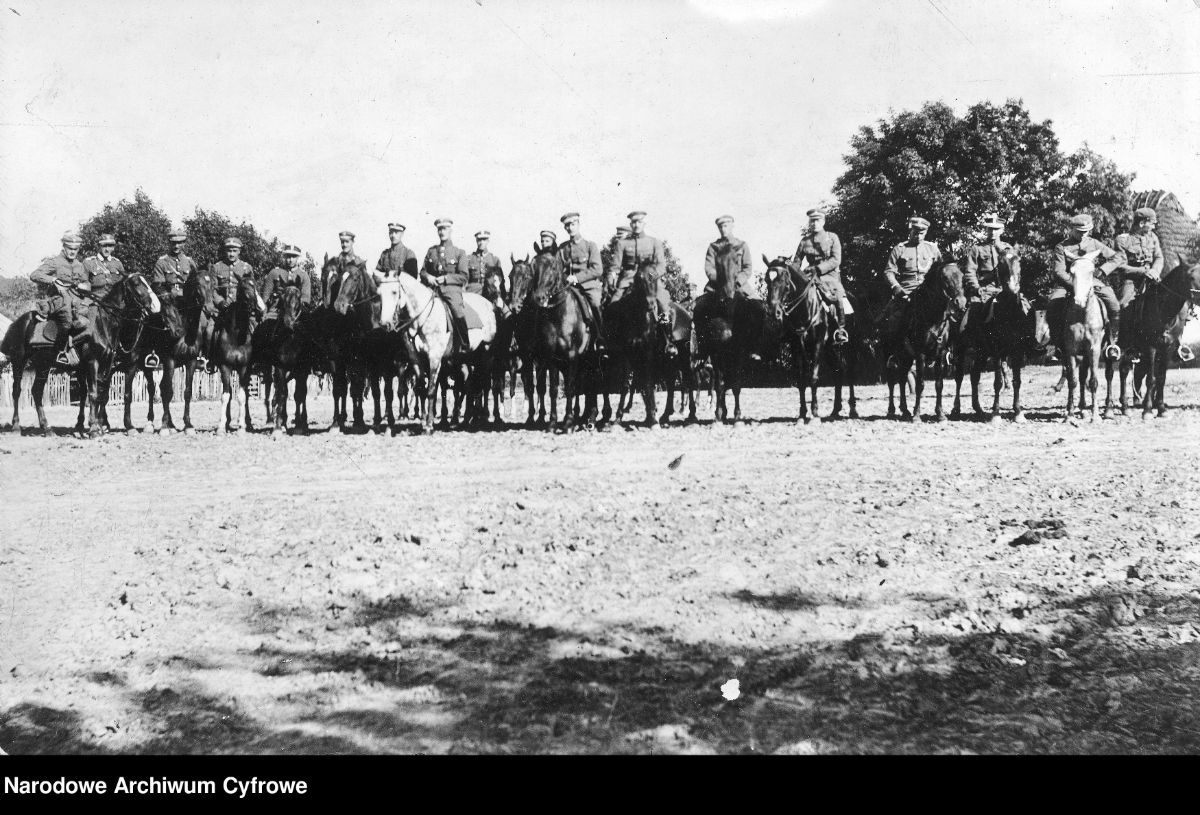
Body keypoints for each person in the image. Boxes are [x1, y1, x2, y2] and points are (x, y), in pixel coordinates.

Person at [1047, 213, 1121, 356]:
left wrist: (1102, 271)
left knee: (1113, 303)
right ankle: (1058, 345)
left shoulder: (1094, 243)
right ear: (1072, 229)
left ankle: (1112, 343)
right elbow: (1059, 271)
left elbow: (1116, 257)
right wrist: (1076, 285)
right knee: (1052, 304)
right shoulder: (1061, 247)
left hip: (1093, 282)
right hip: (1069, 284)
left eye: (1085, 232)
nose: (1082, 235)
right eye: (1079, 232)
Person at [606, 210, 675, 355]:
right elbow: (615, 267)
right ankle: (610, 343)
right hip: (628, 279)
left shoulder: (654, 242)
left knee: (663, 301)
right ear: (631, 224)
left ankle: (668, 341)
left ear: (644, 223)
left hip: (651, 281)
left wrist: (648, 278)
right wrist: (611, 278)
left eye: (639, 222)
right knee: (613, 304)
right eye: (634, 222)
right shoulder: (623, 243)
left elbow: (661, 266)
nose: (636, 225)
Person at [878, 216, 943, 344]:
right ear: (910, 231)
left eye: (921, 233)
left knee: (948, 317)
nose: (918, 236)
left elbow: (941, 270)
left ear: (926, 233)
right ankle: (895, 353)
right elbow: (889, 271)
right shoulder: (900, 249)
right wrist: (896, 287)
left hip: (929, 293)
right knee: (893, 321)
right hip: (906, 292)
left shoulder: (932, 249)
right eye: (915, 232)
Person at [29, 231, 89, 365]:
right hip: (57, 300)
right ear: (64, 247)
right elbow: (34, 275)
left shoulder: (79, 265)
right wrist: (53, 280)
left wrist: (84, 286)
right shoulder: (55, 262)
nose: (73, 252)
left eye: (75, 249)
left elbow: (87, 283)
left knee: (92, 316)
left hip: (76, 301)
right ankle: (61, 351)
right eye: (70, 249)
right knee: (67, 317)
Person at [792, 208, 848, 344]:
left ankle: (840, 330)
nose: (814, 223)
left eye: (817, 220)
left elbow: (836, 260)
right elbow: (797, 262)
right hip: (810, 276)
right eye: (812, 221)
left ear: (823, 221)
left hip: (829, 276)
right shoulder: (804, 241)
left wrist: (819, 268)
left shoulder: (832, 237)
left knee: (835, 296)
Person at [556, 212, 605, 352]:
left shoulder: (590, 246)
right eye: (567, 226)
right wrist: (565, 278)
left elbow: (597, 269)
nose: (570, 228)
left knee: (595, 304)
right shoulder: (562, 248)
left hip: (588, 286)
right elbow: (558, 269)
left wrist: (577, 278)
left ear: (578, 224)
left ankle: (600, 338)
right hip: (567, 287)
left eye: (573, 224)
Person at [961, 212, 1019, 329]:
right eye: (990, 229)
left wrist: (1015, 285)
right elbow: (970, 272)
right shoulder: (977, 249)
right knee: (970, 319)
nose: (993, 232)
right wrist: (976, 288)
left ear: (1001, 230)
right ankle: (969, 345)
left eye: (996, 229)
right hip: (984, 292)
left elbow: (1015, 270)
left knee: (1026, 308)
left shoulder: (1008, 249)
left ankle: (1032, 342)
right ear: (986, 230)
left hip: (1005, 290)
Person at [422, 218, 471, 353]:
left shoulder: (459, 252)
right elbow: (422, 271)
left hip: (451, 290)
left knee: (457, 310)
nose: (442, 232)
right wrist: (428, 277)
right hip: (432, 289)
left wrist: (446, 278)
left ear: (450, 230)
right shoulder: (431, 251)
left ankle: (463, 344)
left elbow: (464, 276)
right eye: (440, 229)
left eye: (445, 229)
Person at [260, 244, 312, 319]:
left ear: (298, 258)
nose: (290, 260)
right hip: (276, 311)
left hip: (296, 312)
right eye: (288, 256)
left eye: (293, 257)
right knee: (266, 326)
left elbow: (306, 299)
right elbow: (266, 296)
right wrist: (264, 314)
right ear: (284, 257)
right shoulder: (274, 272)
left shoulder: (303, 275)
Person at [151, 228, 199, 306]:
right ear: (169, 243)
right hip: (169, 301)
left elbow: (196, 283)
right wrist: (169, 293)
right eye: (173, 243)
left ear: (184, 243)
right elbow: (158, 286)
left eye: (179, 243)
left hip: (188, 301)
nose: (176, 246)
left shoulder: (189, 262)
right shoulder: (161, 262)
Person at [323, 230, 367, 305]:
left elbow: (363, 288)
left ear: (352, 242)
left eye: (347, 242)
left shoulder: (359, 263)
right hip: (335, 304)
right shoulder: (335, 262)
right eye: (342, 242)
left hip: (353, 305)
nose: (344, 245)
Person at [211, 237, 254, 310]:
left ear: (239, 251)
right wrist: (220, 301)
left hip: (241, 306)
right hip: (221, 307)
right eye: (229, 251)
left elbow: (251, 289)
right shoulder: (216, 267)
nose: (231, 254)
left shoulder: (246, 268)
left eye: (234, 251)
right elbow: (212, 288)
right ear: (225, 251)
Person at [82, 233, 126, 301]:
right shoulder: (89, 262)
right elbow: (83, 284)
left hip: (115, 301)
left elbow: (123, 284)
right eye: (104, 246)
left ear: (113, 248)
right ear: (99, 246)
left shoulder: (118, 263)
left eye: (110, 246)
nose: (107, 249)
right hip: (96, 300)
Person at [466, 230, 503, 296]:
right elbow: (465, 278)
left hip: (491, 293)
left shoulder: (494, 260)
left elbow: (500, 282)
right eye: (479, 240)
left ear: (488, 241)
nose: (481, 242)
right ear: (476, 241)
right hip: (473, 292)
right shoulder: (469, 259)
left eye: (484, 240)